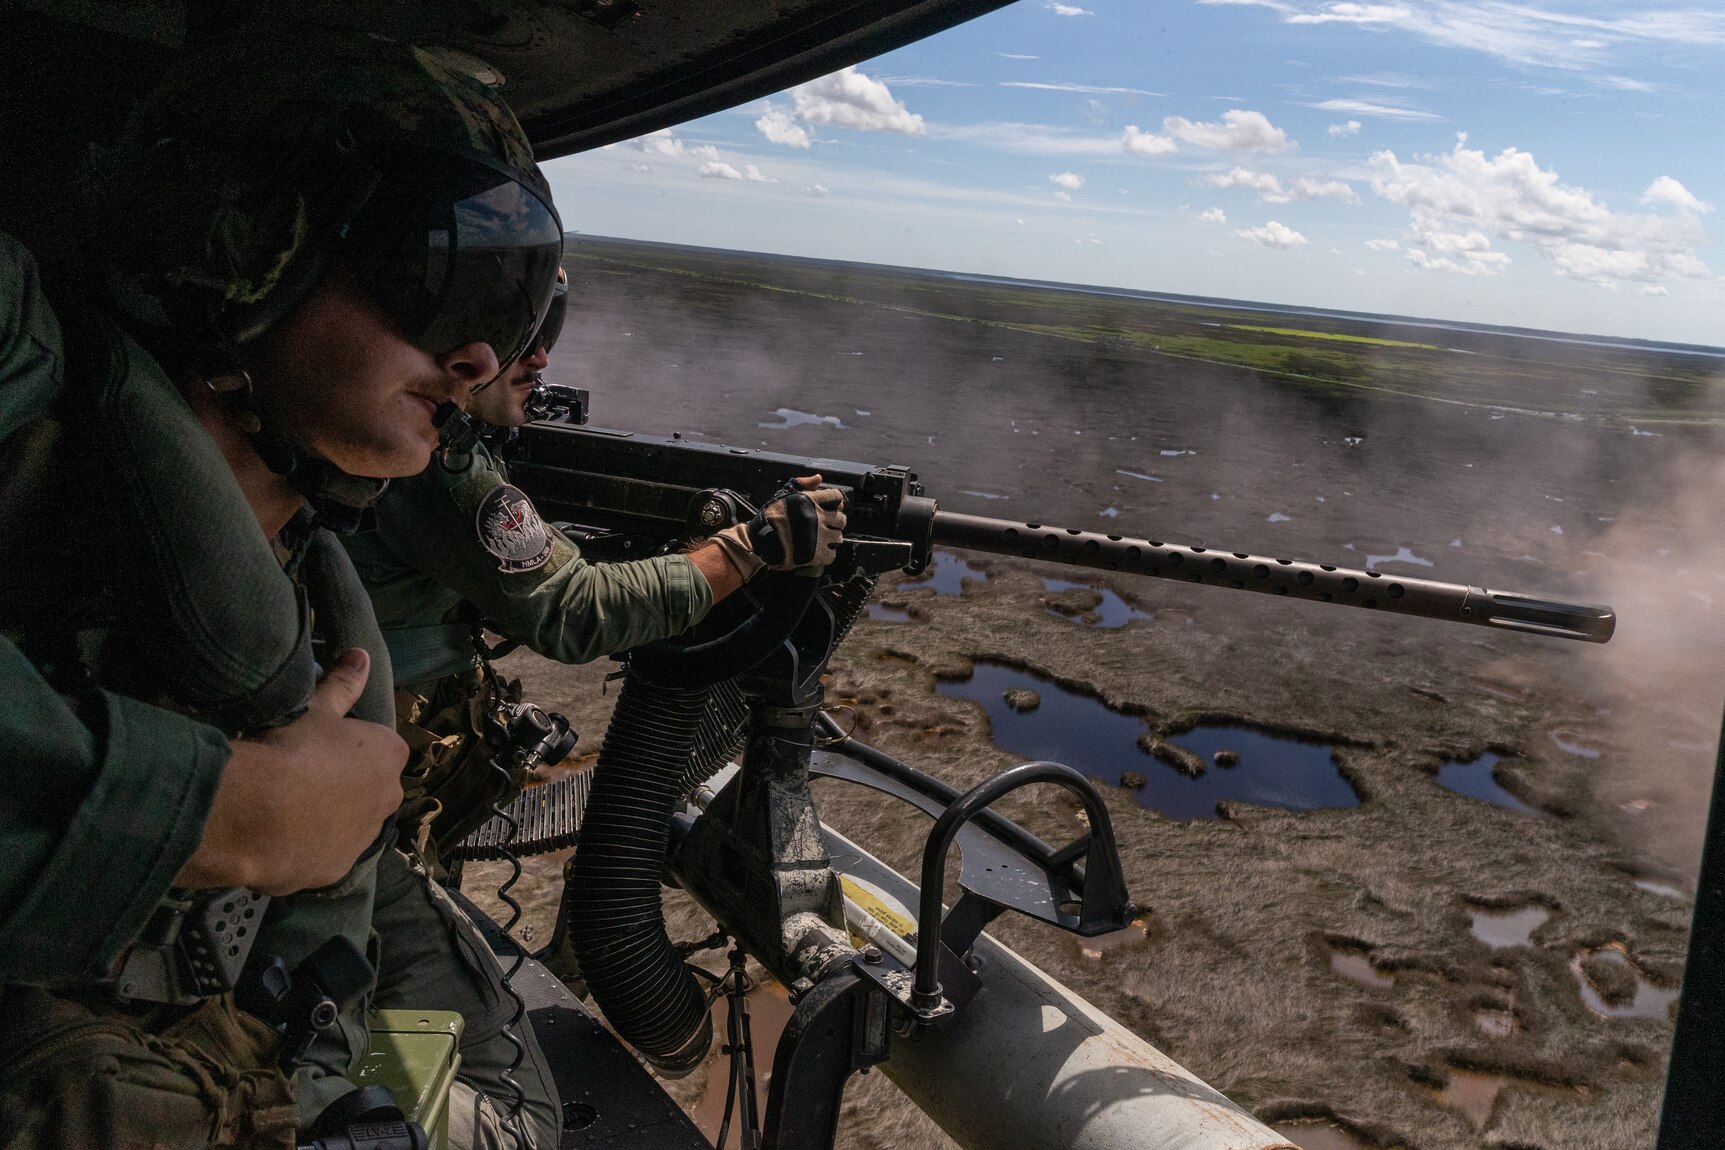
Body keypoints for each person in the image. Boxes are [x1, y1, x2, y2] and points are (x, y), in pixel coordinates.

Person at [0, 25, 572, 1150]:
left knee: (511, 1121)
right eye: (440, 277)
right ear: (239, 236)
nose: (480, 361)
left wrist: (328, 1100)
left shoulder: (305, 590)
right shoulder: (24, 377)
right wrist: (213, 812)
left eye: (510, 313)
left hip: (255, 1025)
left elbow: (319, 949)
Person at [343, 268, 846, 868]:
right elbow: (572, 611)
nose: (540, 357)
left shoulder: (401, 432)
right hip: (370, 775)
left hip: (387, 747)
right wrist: (749, 547)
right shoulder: (433, 461)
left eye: (548, 330)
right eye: (519, 332)